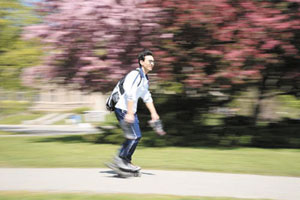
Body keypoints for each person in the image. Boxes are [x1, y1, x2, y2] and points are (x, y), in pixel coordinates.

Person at [112, 49, 161, 172]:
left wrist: (154, 113)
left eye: (153, 61)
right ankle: (121, 159)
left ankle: (124, 160)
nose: (152, 63)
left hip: (130, 110)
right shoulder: (135, 75)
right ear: (141, 62)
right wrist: (129, 113)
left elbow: (146, 97)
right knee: (133, 136)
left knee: (136, 136)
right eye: (149, 61)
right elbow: (130, 94)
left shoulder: (145, 78)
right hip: (123, 108)